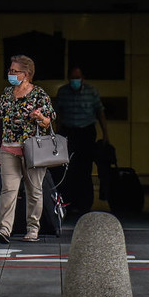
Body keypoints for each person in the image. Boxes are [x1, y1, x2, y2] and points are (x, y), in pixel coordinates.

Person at [0, 55, 56, 244]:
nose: (10, 74)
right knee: (8, 190)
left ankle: (33, 229)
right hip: (8, 148)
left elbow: (49, 120)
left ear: (26, 74)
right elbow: (0, 114)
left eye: (14, 71)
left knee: (34, 191)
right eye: (10, 70)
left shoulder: (39, 94)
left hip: (32, 150)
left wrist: (39, 117)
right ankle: (4, 230)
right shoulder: (7, 93)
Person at [54, 66, 108, 215]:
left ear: (83, 78)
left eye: (77, 78)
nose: (75, 81)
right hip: (68, 131)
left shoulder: (91, 92)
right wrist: (57, 135)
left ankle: (84, 204)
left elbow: (100, 112)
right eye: (72, 78)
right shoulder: (63, 92)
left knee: (85, 169)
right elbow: (59, 114)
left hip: (86, 131)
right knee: (67, 169)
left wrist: (105, 134)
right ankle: (68, 202)